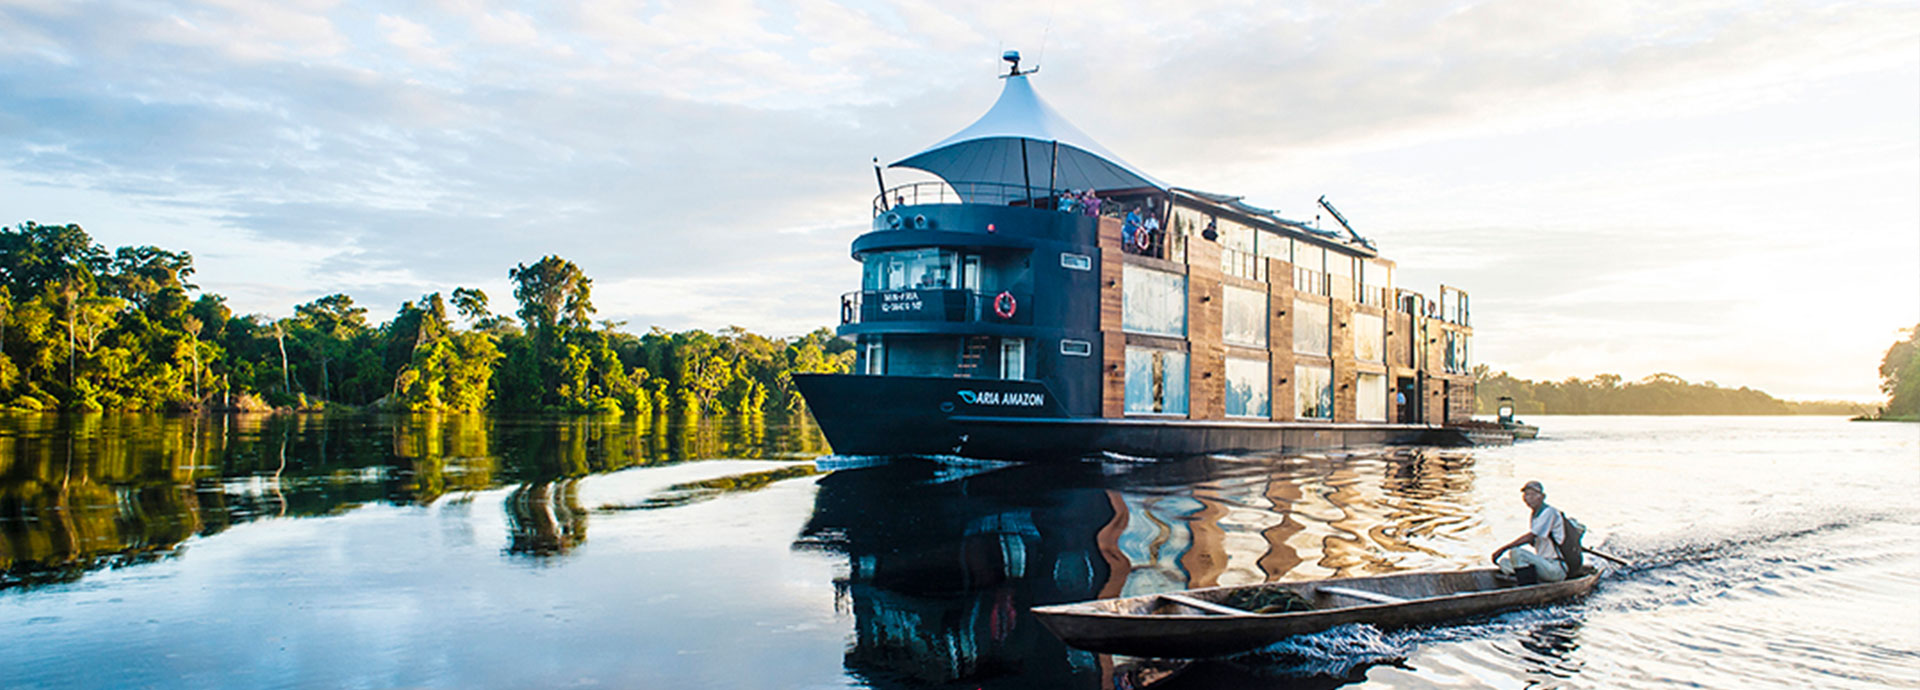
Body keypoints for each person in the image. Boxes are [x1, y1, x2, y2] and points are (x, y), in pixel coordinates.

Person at [1490, 480, 1567, 583]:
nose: (1528, 498)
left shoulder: (1549, 512)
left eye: (1532, 494)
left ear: (1542, 496)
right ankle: (1528, 579)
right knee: (1504, 563)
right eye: (1526, 495)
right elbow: (1534, 541)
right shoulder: (1535, 515)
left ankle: (1528, 586)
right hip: (1544, 564)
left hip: (1555, 567)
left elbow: (1530, 537)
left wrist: (1503, 549)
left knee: (1517, 552)